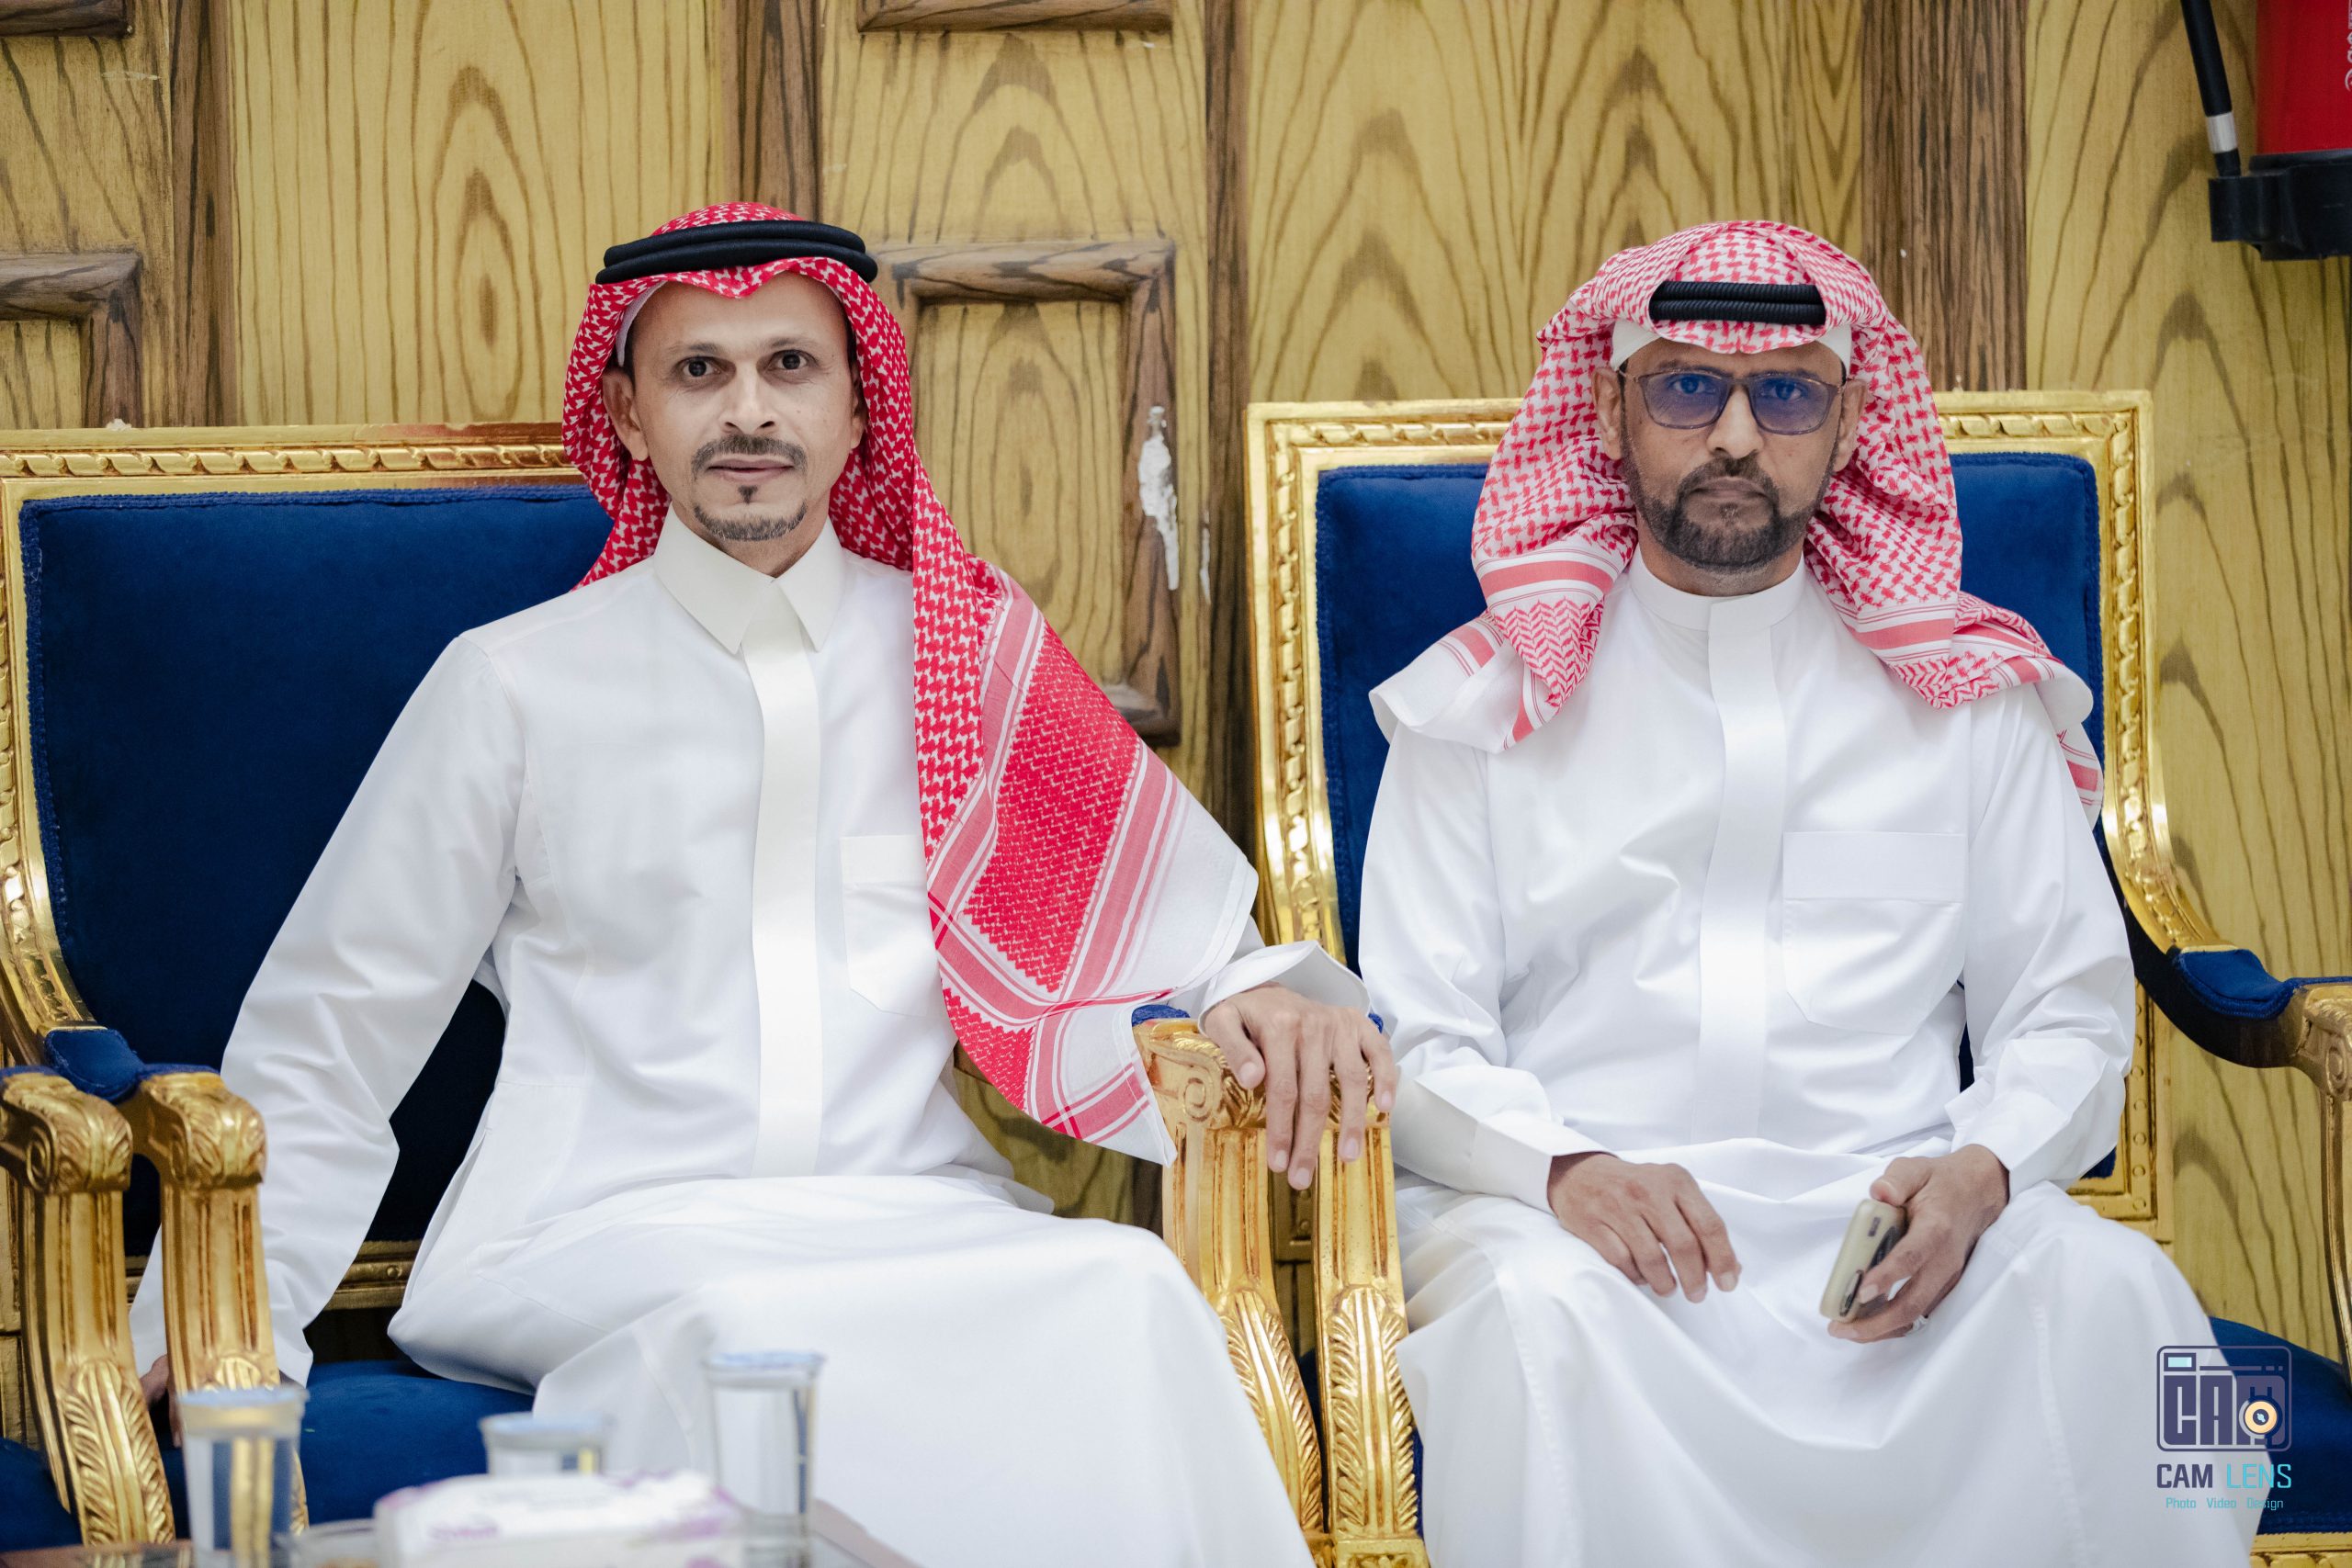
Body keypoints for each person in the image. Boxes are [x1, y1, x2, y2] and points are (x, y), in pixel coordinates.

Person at [130, 204, 1392, 1568]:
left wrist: (1270, 993)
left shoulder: (964, 655)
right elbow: (333, 1031)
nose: (749, 412)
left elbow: (1181, 934)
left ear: (857, 406)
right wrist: (219, 1324)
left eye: (790, 366)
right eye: (699, 371)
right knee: (756, 1345)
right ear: (629, 414)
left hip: (916, 1212)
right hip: (603, 1231)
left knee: (1128, 1285)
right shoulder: (513, 684)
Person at [1357, 220, 2257, 1566]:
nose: (1734, 437)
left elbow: (2067, 1016)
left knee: (2122, 1299)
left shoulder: (1973, 702)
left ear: (1849, 425)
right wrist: (1566, 1172)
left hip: (1895, 1237)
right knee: (1536, 1328)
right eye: (1685, 388)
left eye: (1786, 394)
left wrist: (1983, 1173)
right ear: (1606, 413)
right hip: (1583, 1234)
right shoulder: (1475, 710)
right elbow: (1418, 1038)